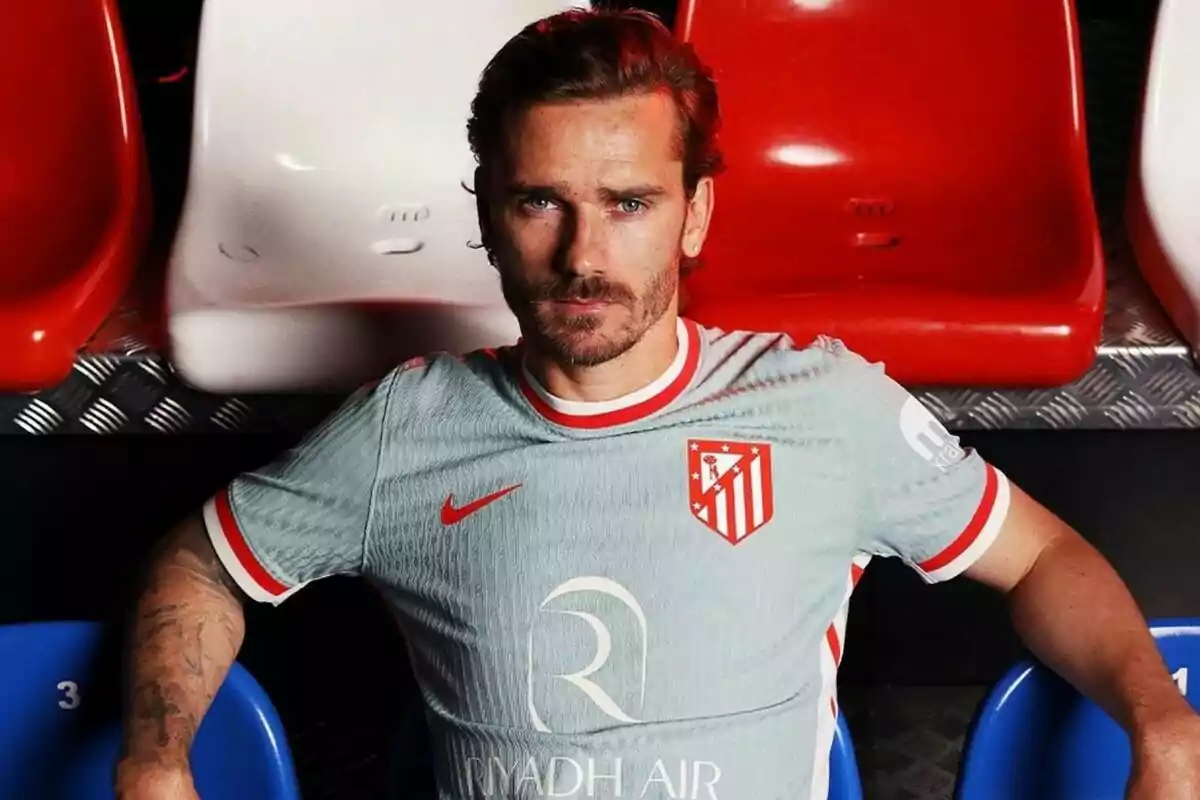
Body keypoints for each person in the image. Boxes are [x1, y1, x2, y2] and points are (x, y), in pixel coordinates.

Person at [116, 8, 1200, 799]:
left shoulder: (823, 407)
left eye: (629, 203)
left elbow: (1044, 555)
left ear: (695, 215)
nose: (584, 255)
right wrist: (157, 758)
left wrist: (1163, 725)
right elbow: (203, 560)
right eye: (541, 202)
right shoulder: (408, 425)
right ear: (487, 215)